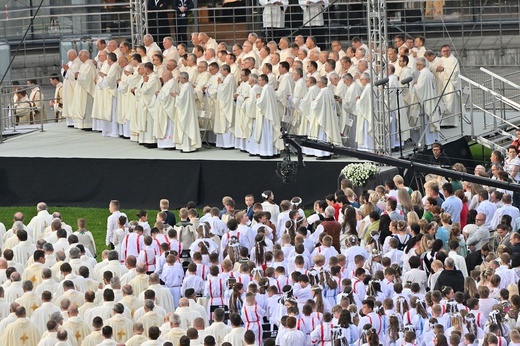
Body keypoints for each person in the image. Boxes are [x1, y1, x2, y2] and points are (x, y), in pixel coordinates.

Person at [309, 76, 342, 160]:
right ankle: (328, 153)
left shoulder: (323, 92)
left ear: (322, 83)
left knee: (322, 136)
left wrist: (313, 101)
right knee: (327, 135)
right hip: (328, 117)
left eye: (318, 82)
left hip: (323, 118)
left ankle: (322, 154)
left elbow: (316, 106)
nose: (317, 84)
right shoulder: (329, 91)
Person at [410, 56, 440, 145]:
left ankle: (428, 140)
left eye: (417, 65)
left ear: (420, 65)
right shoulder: (428, 73)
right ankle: (433, 138)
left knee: (426, 121)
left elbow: (420, 89)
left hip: (426, 101)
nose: (416, 66)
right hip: (430, 98)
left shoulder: (423, 74)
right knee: (431, 120)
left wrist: (414, 85)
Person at [253, 74, 284, 158]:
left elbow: (262, 103)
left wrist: (258, 98)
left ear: (264, 80)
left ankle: (267, 152)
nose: (258, 82)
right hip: (270, 114)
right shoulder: (269, 88)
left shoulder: (266, 89)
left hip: (267, 116)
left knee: (266, 134)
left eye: (259, 80)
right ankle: (273, 152)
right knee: (270, 133)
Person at [173, 72, 202, 152]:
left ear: (184, 78)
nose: (179, 80)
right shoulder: (188, 86)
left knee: (186, 126)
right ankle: (188, 146)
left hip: (186, 111)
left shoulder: (186, 87)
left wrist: (175, 95)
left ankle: (188, 147)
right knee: (188, 126)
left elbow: (181, 100)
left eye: (180, 78)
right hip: (188, 110)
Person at [437, 45, 461, 128]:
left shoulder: (454, 60)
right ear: (441, 52)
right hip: (442, 84)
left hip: (450, 85)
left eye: (447, 50)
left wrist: (444, 69)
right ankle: (443, 122)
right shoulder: (440, 60)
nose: (445, 52)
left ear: (450, 51)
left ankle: (451, 123)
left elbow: (455, 73)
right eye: (443, 51)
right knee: (442, 102)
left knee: (450, 102)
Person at [71, 50, 96, 130]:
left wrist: (78, 75)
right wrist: (78, 75)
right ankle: (83, 124)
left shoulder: (89, 65)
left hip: (86, 91)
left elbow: (86, 78)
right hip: (82, 89)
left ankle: (88, 125)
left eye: (80, 55)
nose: (79, 57)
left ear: (86, 56)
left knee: (87, 107)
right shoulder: (84, 65)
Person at [356, 72, 374, 152]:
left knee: (365, 133)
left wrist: (358, 100)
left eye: (361, 80)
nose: (360, 81)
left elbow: (362, 103)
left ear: (365, 79)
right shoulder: (371, 87)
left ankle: (366, 149)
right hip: (369, 112)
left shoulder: (367, 88)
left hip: (366, 115)